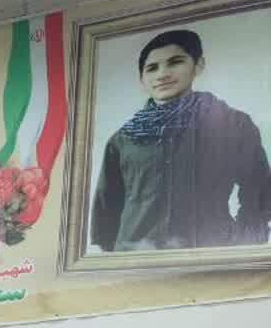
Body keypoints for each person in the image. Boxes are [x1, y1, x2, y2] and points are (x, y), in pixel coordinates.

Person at [91, 28, 271, 253]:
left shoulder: (231, 124)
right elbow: (106, 211)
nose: (162, 74)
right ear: (142, 79)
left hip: (209, 258)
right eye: (152, 68)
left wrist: (241, 248)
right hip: (135, 261)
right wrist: (115, 261)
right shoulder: (124, 139)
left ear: (198, 65)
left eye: (175, 62)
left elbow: (260, 193)